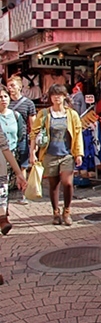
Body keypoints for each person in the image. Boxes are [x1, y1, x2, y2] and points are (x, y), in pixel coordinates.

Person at [29, 84, 84, 226]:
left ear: (65, 96)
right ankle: (55, 212)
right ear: (50, 98)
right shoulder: (44, 114)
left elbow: (78, 135)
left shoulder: (72, 114)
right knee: (53, 185)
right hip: (49, 154)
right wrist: (32, 152)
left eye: (60, 95)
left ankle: (67, 211)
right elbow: (34, 133)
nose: (57, 98)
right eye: (54, 95)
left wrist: (79, 153)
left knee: (68, 183)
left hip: (67, 154)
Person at [0, 86, 27, 235]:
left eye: (5, 96)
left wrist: (19, 172)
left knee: (3, 190)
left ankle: (3, 218)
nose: (3, 99)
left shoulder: (15, 116)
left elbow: (4, 146)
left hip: (5, 160)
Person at [6, 76, 36, 205]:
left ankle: (23, 194)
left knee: (23, 166)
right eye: (9, 86)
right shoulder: (5, 101)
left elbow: (33, 125)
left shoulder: (28, 103)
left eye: (13, 85)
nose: (10, 88)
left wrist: (34, 144)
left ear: (19, 86)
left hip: (22, 138)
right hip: (6, 139)